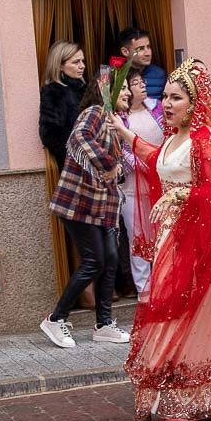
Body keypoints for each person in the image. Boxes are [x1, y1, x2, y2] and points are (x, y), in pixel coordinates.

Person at [111, 59, 211, 421]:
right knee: (174, 309)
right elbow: (156, 160)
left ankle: (195, 399)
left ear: (195, 103)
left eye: (176, 97)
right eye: (166, 96)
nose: (169, 103)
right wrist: (123, 132)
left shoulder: (206, 140)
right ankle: (196, 394)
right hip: (175, 235)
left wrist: (182, 200)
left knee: (195, 313)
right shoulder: (175, 137)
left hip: (206, 239)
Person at [41, 68, 132, 348]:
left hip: (103, 206)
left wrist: (115, 171)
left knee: (110, 260)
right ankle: (55, 319)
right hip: (79, 203)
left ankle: (104, 324)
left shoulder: (115, 121)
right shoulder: (95, 112)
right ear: (109, 92)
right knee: (94, 261)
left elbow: (118, 169)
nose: (128, 92)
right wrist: (109, 164)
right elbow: (79, 137)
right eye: (123, 88)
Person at [118, 68, 165, 294]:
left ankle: (164, 285)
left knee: (162, 234)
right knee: (138, 236)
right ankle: (144, 289)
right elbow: (120, 150)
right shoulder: (120, 118)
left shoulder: (158, 109)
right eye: (135, 83)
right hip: (132, 185)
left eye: (142, 82)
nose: (142, 86)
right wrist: (147, 165)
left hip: (162, 183)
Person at [38, 41, 88, 168]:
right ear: (60, 65)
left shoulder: (85, 89)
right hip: (75, 162)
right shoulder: (54, 92)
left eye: (82, 61)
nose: (82, 66)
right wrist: (76, 155)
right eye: (76, 62)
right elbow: (50, 133)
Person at [118, 27, 166, 102]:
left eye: (148, 47)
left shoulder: (160, 74)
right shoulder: (117, 75)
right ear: (125, 52)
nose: (148, 53)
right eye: (140, 49)